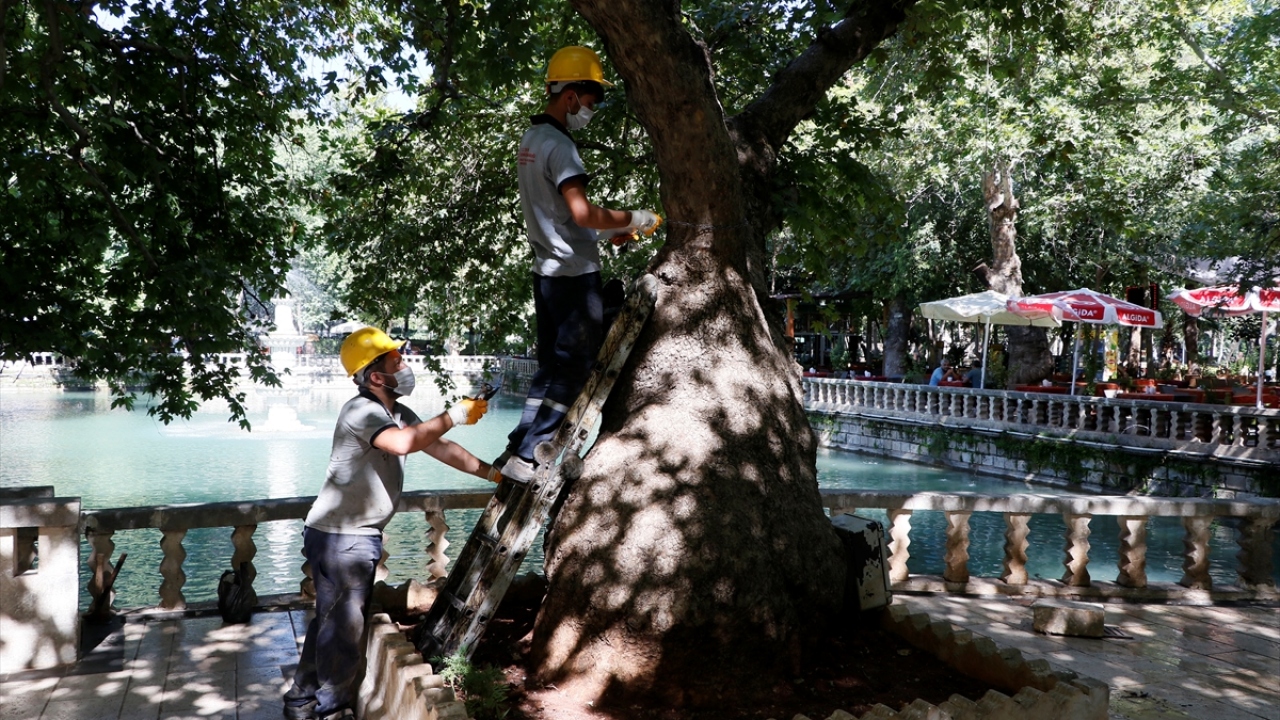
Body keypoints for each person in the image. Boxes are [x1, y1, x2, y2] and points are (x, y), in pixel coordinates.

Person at [283, 327, 500, 720]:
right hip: (341, 537)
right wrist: (454, 414)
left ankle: (301, 700)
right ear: (376, 376)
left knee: (332, 623)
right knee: (344, 630)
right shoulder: (360, 410)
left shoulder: (395, 412)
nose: (405, 363)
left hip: (347, 535)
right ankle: (329, 710)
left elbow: (439, 446)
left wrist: (494, 474)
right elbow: (403, 443)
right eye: (395, 359)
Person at [499, 46, 660, 482]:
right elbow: (583, 213)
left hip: (546, 272)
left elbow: (558, 213)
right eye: (592, 100)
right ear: (571, 95)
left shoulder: (531, 140)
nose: (593, 109)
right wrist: (635, 218)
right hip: (573, 276)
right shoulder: (561, 147)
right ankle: (532, 453)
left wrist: (611, 232)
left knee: (550, 364)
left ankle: (517, 446)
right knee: (575, 366)